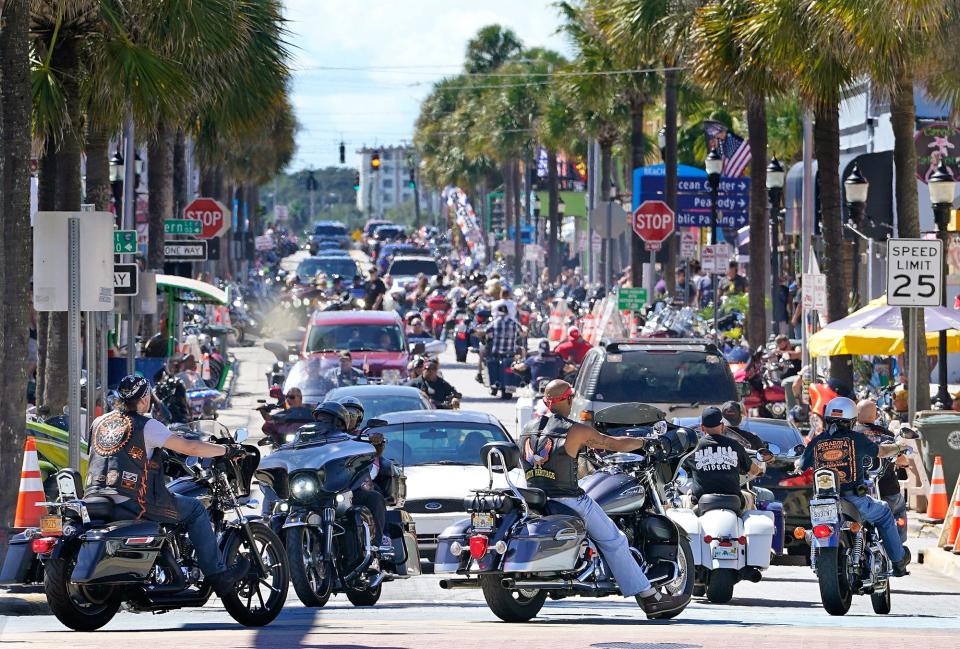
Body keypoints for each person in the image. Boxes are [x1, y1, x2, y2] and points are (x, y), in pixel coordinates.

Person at [518, 379, 687, 617]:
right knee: (614, 539)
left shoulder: (528, 428)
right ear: (569, 398)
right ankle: (651, 598)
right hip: (568, 499)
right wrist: (646, 442)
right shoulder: (575, 430)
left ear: (546, 401)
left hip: (537, 498)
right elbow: (612, 443)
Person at [85, 375, 248, 594]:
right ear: (144, 399)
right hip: (133, 499)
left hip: (94, 495)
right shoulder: (147, 425)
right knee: (196, 509)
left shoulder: (99, 422)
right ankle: (217, 576)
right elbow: (190, 448)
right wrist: (227, 450)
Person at [797, 396, 909, 576]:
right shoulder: (856, 439)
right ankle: (898, 561)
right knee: (885, 512)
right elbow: (880, 451)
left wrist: (796, 463)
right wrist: (897, 447)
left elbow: (801, 465)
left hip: (821, 501)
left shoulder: (817, 441)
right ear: (852, 420)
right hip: (853, 499)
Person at [336, 398, 392, 550]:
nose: (349, 416)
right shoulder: (329, 435)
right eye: (346, 413)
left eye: (353, 413)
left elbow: (376, 454)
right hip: (331, 486)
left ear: (360, 417)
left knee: (374, 497)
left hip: (355, 485)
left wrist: (377, 442)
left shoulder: (364, 435)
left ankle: (378, 542)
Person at [687, 406, 765, 508]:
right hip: (733, 501)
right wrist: (760, 470)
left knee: (682, 500)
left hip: (701, 502)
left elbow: (682, 467)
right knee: (750, 497)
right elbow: (754, 471)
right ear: (723, 426)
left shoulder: (693, 448)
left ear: (702, 427)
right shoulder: (735, 445)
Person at [855, 399, 910, 544]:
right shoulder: (887, 435)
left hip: (854, 490)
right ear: (875, 415)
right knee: (898, 509)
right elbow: (902, 460)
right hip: (886, 490)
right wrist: (903, 461)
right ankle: (898, 548)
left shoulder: (849, 435)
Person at [483, 304, 519, 393]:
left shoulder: (496, 322)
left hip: (497, 353)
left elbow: (485, 331)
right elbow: (522, 332)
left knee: (490, 362)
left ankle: (494, 384)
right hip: (510, 353)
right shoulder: (513, 322)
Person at [154, 358, 191, 424]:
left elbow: (185, 402)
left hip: (179, 418)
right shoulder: (162, 382)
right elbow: (156, 378)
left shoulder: (179, 382)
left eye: (176, 366)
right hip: (167, 418)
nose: (174, 368)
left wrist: (188, 417)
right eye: (172, 366)